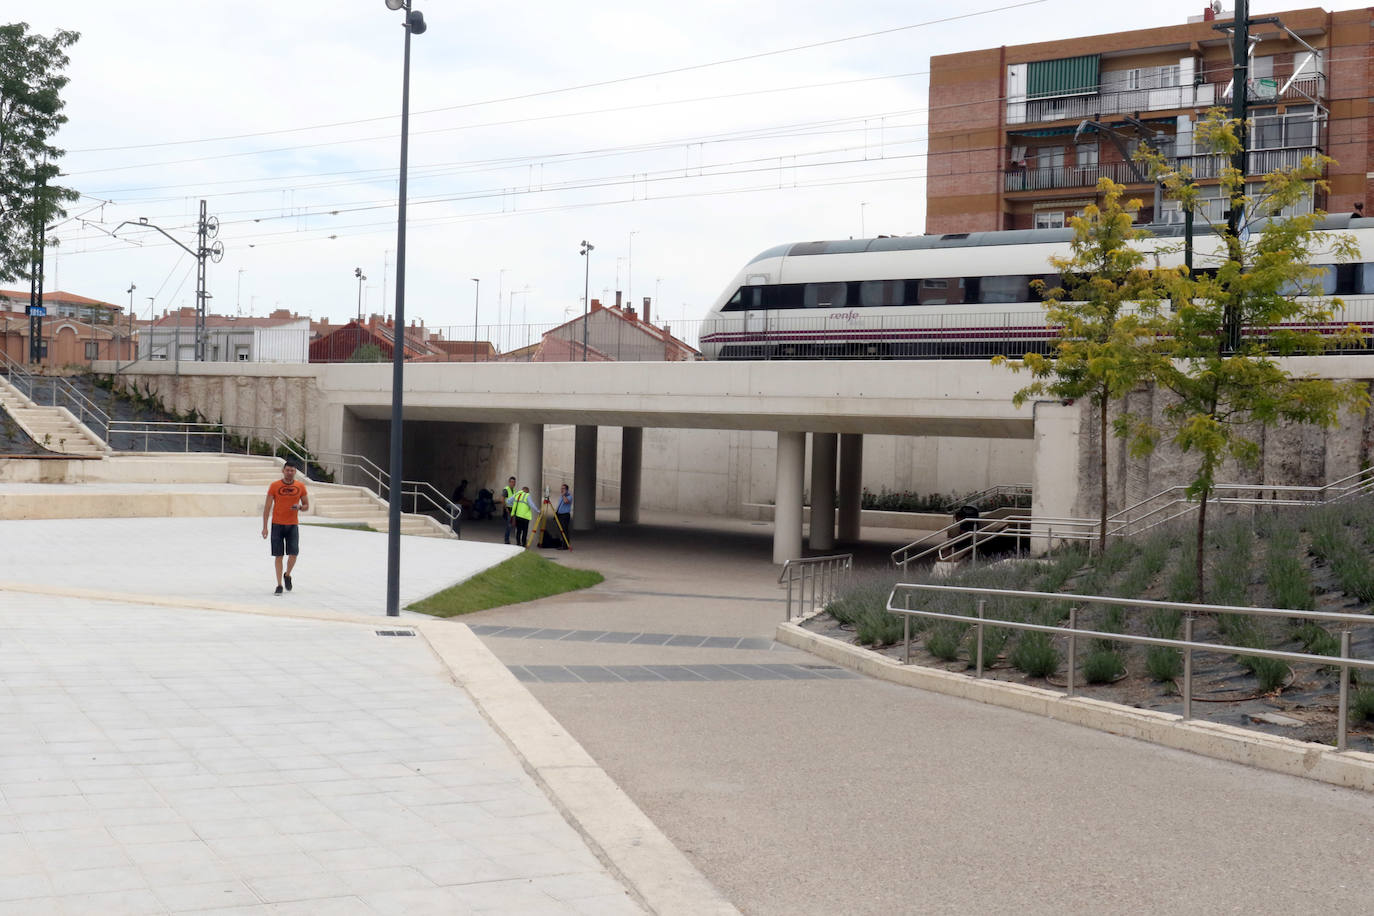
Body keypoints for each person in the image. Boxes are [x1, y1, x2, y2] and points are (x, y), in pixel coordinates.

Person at [261, 460, 309, 596]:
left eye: (292, 471)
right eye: (287, 470)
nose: (290, 473)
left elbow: (306, 505)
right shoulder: (274, 486)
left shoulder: (300, 486)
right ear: (283, 471)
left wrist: (300, 507)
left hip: (292, 524)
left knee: (293, 553)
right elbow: (267, 507)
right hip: (277, 524)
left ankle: (287, 574)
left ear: (295, 472)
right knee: (278, 555)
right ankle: (279, 584)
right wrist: (265, 527)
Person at [555, 483, 572, 549]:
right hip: (559, 514)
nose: (562, 490)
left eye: (563, 489)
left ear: (567, 490)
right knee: (561, 530)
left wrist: (564, 495)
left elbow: (566, 501)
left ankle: (565, 545)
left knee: (564, 530)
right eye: (561, 488)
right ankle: (563, 543)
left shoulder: (569, 496)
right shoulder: (561, 496)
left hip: (565, 515)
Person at [501, 476, 518, 544]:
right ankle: (506, 540)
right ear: (509, 482)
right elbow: (502, 499)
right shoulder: (506, 489)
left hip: (512, 509)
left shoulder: (514, 490)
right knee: (509, 525)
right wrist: (506, 508)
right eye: (511, 482)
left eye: (514, 482)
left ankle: (508, 539)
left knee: (511, 524)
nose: (513, 483)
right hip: (508, 509)